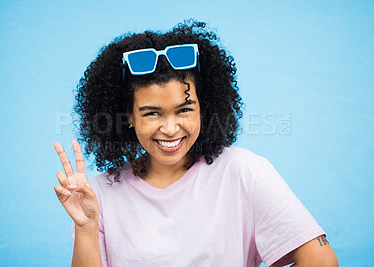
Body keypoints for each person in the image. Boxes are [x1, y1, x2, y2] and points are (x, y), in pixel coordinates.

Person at [53, 20, 338, 267]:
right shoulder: (100, 195)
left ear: (204, 107)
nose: (170, 128)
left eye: (184, 110)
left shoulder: (245, 173)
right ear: (128, 116)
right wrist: (87, 228)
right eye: (152, 113)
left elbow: (322, 260)